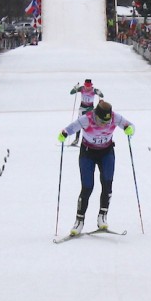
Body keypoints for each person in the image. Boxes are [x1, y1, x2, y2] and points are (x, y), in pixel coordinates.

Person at [57, 100, 135, 236]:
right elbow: (70, 129)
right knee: (87, 187)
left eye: (107, 122)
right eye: (101, 121)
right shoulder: (86, 119)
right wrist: (63, 134)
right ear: (95, 115)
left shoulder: (115, 117)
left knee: (107, 182)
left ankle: (102, 217)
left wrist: (129, 129)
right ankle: (79, 221)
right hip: (88, 153)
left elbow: (131, 126)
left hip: (106, 152)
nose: (104, 124)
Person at [69, 78, 104, 147]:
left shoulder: (94, 90)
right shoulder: (81, 88)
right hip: (82, 109)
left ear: (91, 85)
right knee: (79, 123)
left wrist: (100, 93)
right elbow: (71, 92)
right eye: (86, 86)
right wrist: (75, 88)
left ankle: (92, 140)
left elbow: (102, 96)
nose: (87, 88)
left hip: (90, 109)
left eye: (89, 86)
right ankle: (76, 139)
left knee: (90, 124)